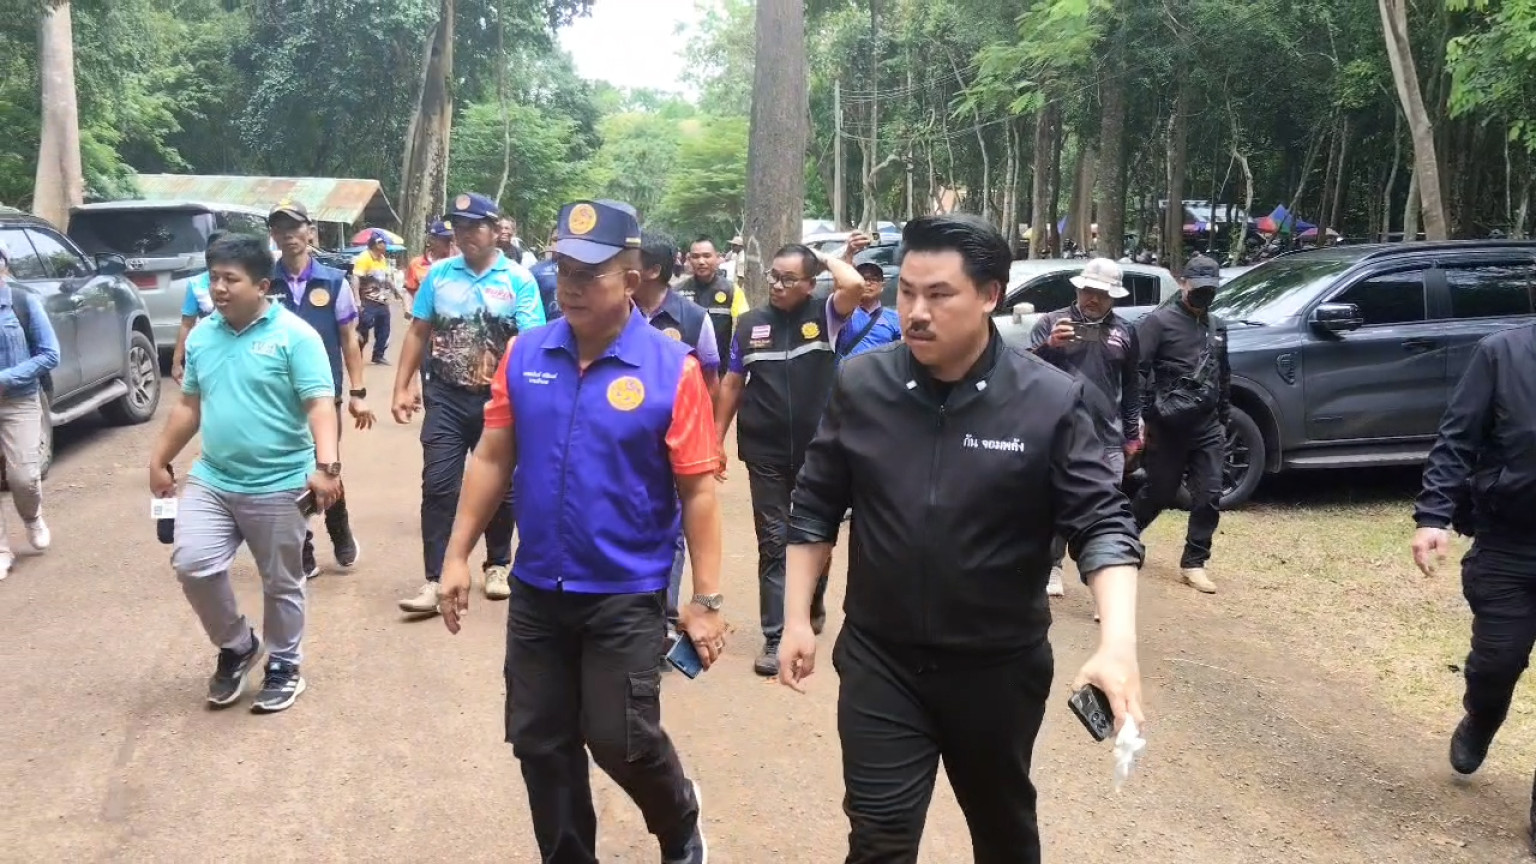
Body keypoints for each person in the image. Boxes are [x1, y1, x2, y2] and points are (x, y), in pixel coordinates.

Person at [777, 214, 1145, 863]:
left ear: (990, 295)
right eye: (906, 293)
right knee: (879, 838)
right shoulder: (863, 384)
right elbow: (814, 505)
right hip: (881, 661)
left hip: (996, 670)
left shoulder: (1049, 400)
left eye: (939, 294)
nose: (916, 312)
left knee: (1003, 832)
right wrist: (796, 619)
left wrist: (1118, 644)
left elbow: (1102, 523)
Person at [439, 199, 724, 864]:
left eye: (590, 273)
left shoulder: (671, 369)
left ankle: (680, 822)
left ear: (632, 280)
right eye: (564, 268)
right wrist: (456, 555)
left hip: (625, 590)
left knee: (621, 737)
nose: (570, 285)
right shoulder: (526, 353)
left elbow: (699, 490)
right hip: (539, 587)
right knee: (540, 741)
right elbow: (493, 457)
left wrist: (706, 600)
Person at [148, 234, 342, 713]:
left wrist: (326, 467)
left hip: (280, 481)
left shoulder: (296, 337)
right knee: (193, 564)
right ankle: (237, 646)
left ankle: (285, 663)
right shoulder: (203, 337)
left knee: (281, 581)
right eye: (213, 278)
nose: (218, 288)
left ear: (261, 285)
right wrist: (159, 459)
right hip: (214, 478)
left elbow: (319, 405)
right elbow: (189, 406)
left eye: (230, 279)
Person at [714, 240, 865, 676]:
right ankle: (776, 634)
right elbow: (732, 384)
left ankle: (813, 598)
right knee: (774, 540)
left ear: (810, 283)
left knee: (816, 535)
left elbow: (854, 284)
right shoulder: (749, 324)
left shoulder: (827, 315)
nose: (777, 285)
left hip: (820, 451)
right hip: (763, 450)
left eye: (788, 279)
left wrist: (825, 255)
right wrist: (715, 440)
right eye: (773, 277)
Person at [1412, 318, 1536, 849]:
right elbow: (1456, 440)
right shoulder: (1502, 354)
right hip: (1509, 543)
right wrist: (1433, 516)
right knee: (1496, 665)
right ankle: (1482, 717)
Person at [391, 192, 544, 616]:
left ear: (495, 231)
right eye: (458, 227)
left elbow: (530, 340)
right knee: (438, 485)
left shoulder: (518, 280)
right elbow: (419, 331)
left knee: (502, 487)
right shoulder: (439, 275)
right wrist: (402, 386)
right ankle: (435, 578)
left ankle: (497, 564)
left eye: (474, 226)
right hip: (445, 396)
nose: (464, 234)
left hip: (500, 402)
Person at [267, 200, 372, 577]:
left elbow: (348, 339)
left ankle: (339, 526)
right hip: (276, 397)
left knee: (325, 463)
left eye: (295, 227)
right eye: (280, 229)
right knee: (287, 472)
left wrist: (358, 392)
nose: (288, 236)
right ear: (272, 235)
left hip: (324, 394)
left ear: (310, 231)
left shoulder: (333, 281)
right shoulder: (264, 282)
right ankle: (303, 546)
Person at [1029, 256, 1142, 599]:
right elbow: (1026, 372)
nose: (1093, 299)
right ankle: (1052, 566)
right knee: (1053, 501)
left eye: (1102, 294)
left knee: (1104, 509)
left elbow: (1132, 386)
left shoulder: (1125, 332)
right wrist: (1050, 346)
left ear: (1114, 297)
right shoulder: (1052, 322)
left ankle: (1100, 583)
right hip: (1058, 430)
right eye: (1088, 291)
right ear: (1078, 290)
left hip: (1107, 436)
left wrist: (1132, 435)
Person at [636, 230, 721, 642]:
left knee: (673, 523)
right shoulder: (616, 311)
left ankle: (664, 618)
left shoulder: (693, 318)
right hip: (629, 437)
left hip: (678, 439)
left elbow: (711, 379)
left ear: (653, 269)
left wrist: (709, 436)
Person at [1131, 253, 1230, 594]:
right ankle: (1124, 535)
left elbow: (1223, 374)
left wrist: (1224, 418)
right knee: (1160, 491)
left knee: (1210, 494)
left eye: (1211, 288)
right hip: (1168, 425)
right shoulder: (1158, 322)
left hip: (1207, 426)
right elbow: (1137, 372)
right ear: (1183, 283)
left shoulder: (1217, 326)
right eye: (1199, 287)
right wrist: (1143, 417)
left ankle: (1194, 561)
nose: (1205, 294)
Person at [0, 247, 60, 579]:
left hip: (18, 401)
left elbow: (50, 354)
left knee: (22, 477)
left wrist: (6, 378)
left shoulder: (22, 303)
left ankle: (32, 516)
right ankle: (1, 550)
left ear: (4, 268)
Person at [675, 236, 749, 362]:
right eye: (695, 256)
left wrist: (735, 364)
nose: (701, 261)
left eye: (707, 256)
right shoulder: (678, 292)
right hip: (687, 367)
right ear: (689, 259)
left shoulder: (732, 290)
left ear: (717, 257)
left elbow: (744, 326)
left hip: (720, 366)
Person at [835, 259, 902, 359]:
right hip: (846, 368)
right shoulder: (844, 312)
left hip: (879, 368)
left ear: (882, 285)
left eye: (873, 279)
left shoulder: (894, 318)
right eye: (863, 279)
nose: (868, 283)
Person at [352, 232, 398, 364]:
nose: (386, 246)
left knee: (384, 329)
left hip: (382, 300)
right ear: (377, 244)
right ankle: (357, 352)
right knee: (364, 326)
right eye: (383, 243)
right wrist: (357, 300)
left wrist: (396, 291)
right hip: (367, 300)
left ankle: (378, 355)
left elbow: (386, 278)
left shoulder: (382, 258)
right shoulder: (364, 258)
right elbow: (356, 279)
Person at [405, 220, 455, 321]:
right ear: (432, 240)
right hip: (422, 319)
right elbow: (409, 290)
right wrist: (407, 307)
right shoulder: (417, 264)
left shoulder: (457, 264)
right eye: (445, 239)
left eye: (451, 239)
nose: (449, 243)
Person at [529, 234, 561, 322]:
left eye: (562, 239)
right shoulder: (536, 271)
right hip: (546, 325)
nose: (558, 243)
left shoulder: (582, 270)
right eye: (555, 240)